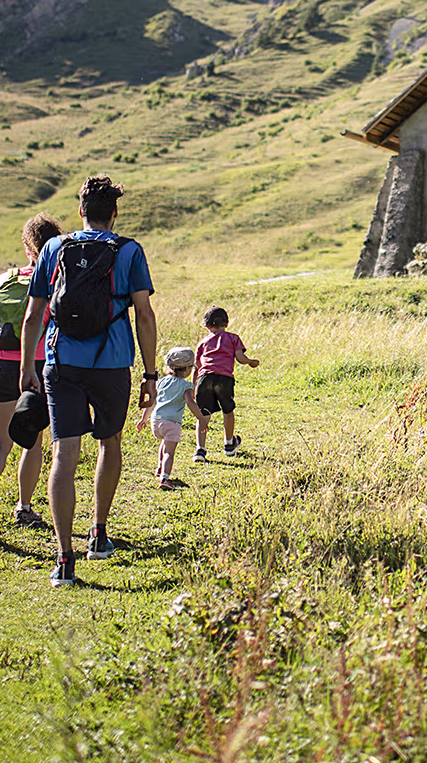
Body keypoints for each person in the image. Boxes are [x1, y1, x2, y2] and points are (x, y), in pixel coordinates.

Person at [17, 177, 158, 587]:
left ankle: (63, 558)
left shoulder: (53, 248)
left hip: (61, 363)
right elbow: (144, 316)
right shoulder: (129, 251)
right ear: (114, 212)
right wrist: (150, 375)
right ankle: (98, 532)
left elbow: (33, 315)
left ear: (80, 210)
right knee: (109, 442)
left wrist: (28, 367)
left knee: (64, 454)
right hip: (113, 364)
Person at [0, 212, 62, 539]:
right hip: (36, 368)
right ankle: (24, 508)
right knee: (32, 441)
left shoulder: (3, 279)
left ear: (27, 247)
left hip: (0, 365)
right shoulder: (53, 281)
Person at [192, 306, 259, 462]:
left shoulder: (203, 342)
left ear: (207, 326)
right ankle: (229, 444)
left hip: (205, 378)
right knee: (228, 410)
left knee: (204, 415)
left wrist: (193, 384)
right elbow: (240, 357)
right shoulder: (233, 338)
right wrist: (250, 362)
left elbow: (197, 365)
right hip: (224, 379)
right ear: (227, 323)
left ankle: (200, 450)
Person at [145, 346, 201, 489]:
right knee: (169, 451)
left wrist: (144, 419)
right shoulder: (186, 385)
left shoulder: (161, 382)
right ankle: (165, 479)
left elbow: (152, 401)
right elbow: (190, 402)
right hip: (172, 423)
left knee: (164, 444)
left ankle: (159, 468)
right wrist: (200, 418)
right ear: (187, 369)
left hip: (156, 421)